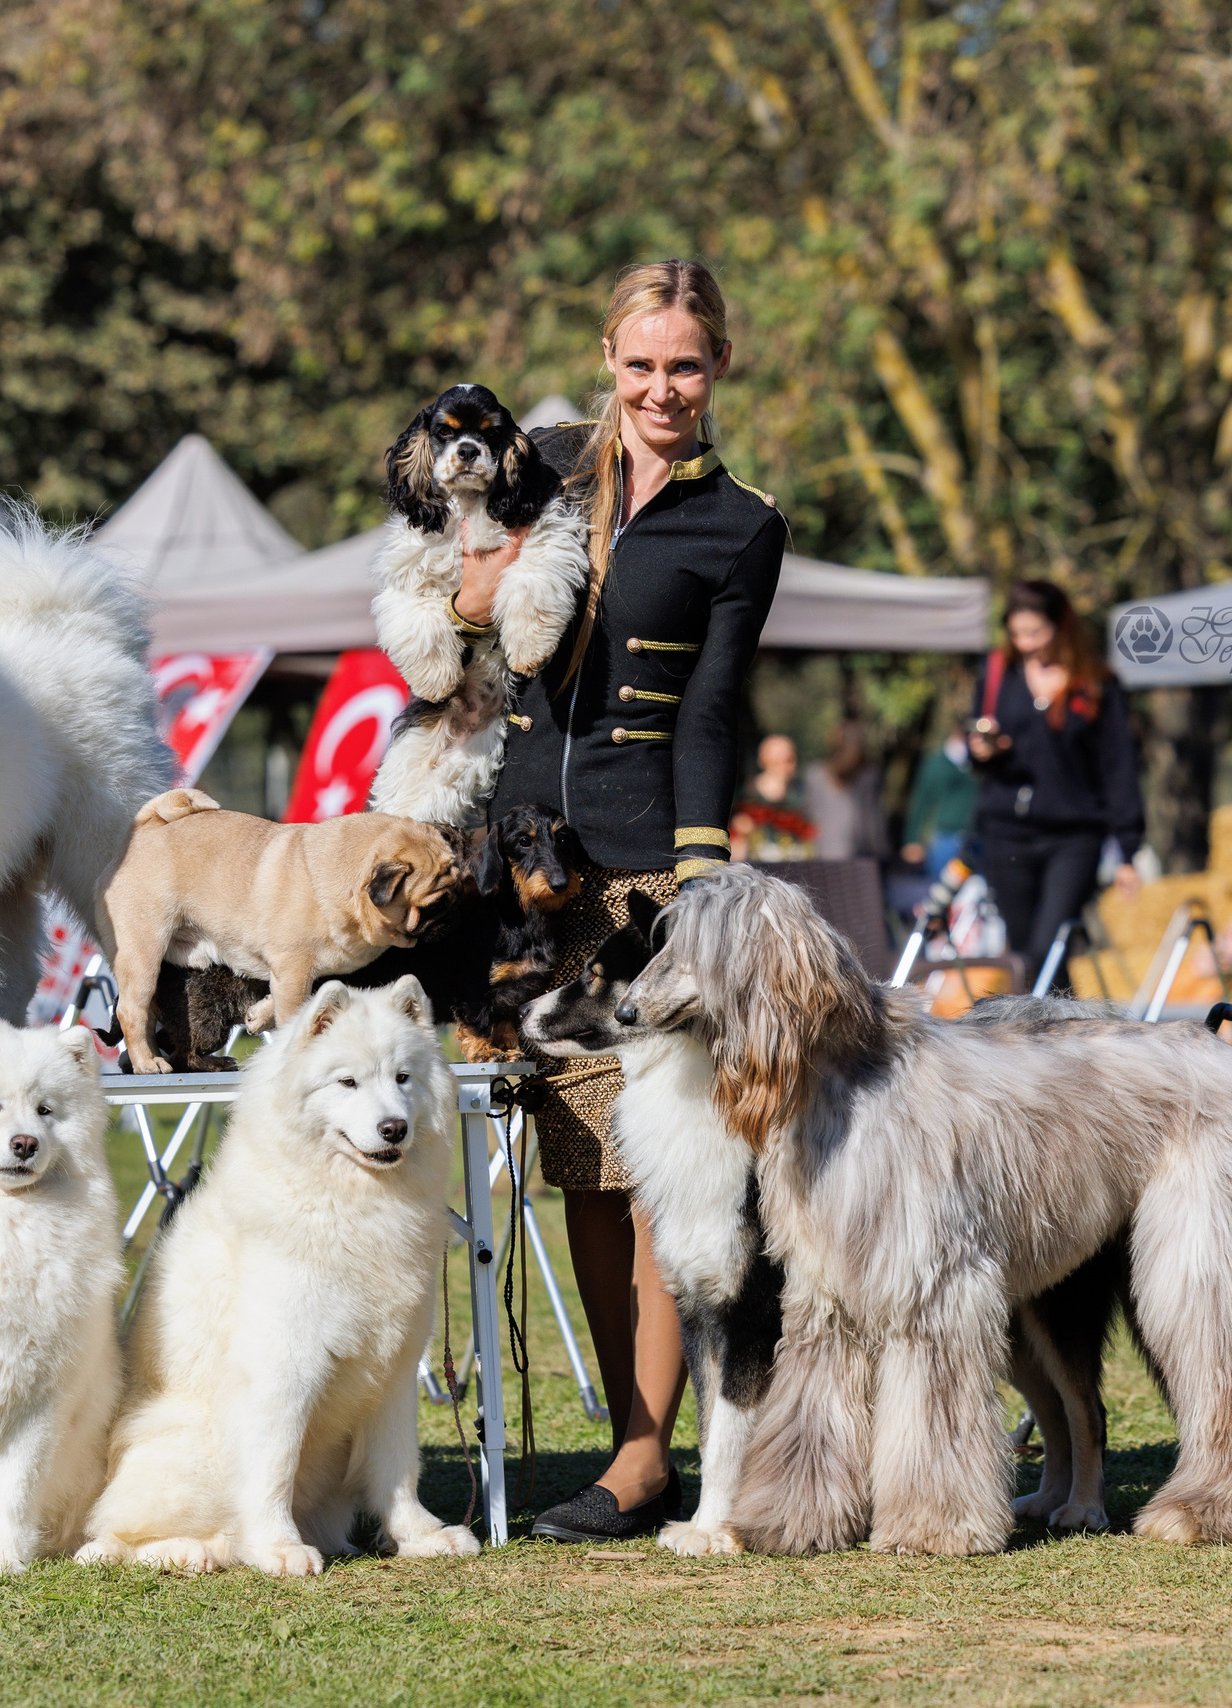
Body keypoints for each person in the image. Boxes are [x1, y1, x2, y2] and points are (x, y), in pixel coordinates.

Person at [470, 259, 785, 1541]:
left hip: (651, 861)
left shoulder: (742, 524)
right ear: (608, 357)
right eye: (642, 363)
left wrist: (700, 883)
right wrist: (463, 593)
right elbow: (444, 589)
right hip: (526, 861)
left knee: (663, 1171)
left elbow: (711, 710)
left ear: (717, 371)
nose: (663, 388)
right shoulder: (535, 465)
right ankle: (634, 1441)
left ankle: (653, 1456)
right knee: (578, 1170)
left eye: (687, 365)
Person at [966, 579, 1142, 993]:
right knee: (1027, 957)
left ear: (1060, 627)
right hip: (1007, 832)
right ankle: (1053, 1045)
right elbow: (976, 752)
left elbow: (1119, 768)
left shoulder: (1095, 683)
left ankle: (1060, 1039)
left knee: (1051, 945)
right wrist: (983, 750)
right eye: (1016, 633)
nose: (1025, 643)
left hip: (1073, 835)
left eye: (1035, 633)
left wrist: (1129, 848)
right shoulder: (997, 674)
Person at [804, 720, 887, 862]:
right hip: (850, 858)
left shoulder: (815, 775)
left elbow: (810, 814)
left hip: (836, 855)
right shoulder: (869, 776)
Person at [902, 728, 979, 877]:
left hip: (973, 837)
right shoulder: (936, 763)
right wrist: (912, 839)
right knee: (940, 890)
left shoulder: (976, 764)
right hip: (945, 838)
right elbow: (921, 802)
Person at [729, 732, 811, 860]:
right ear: (764, 761)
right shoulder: (745, 798)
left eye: (790, 760)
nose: (787, 767)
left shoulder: (801, 797)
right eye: (778, 761)